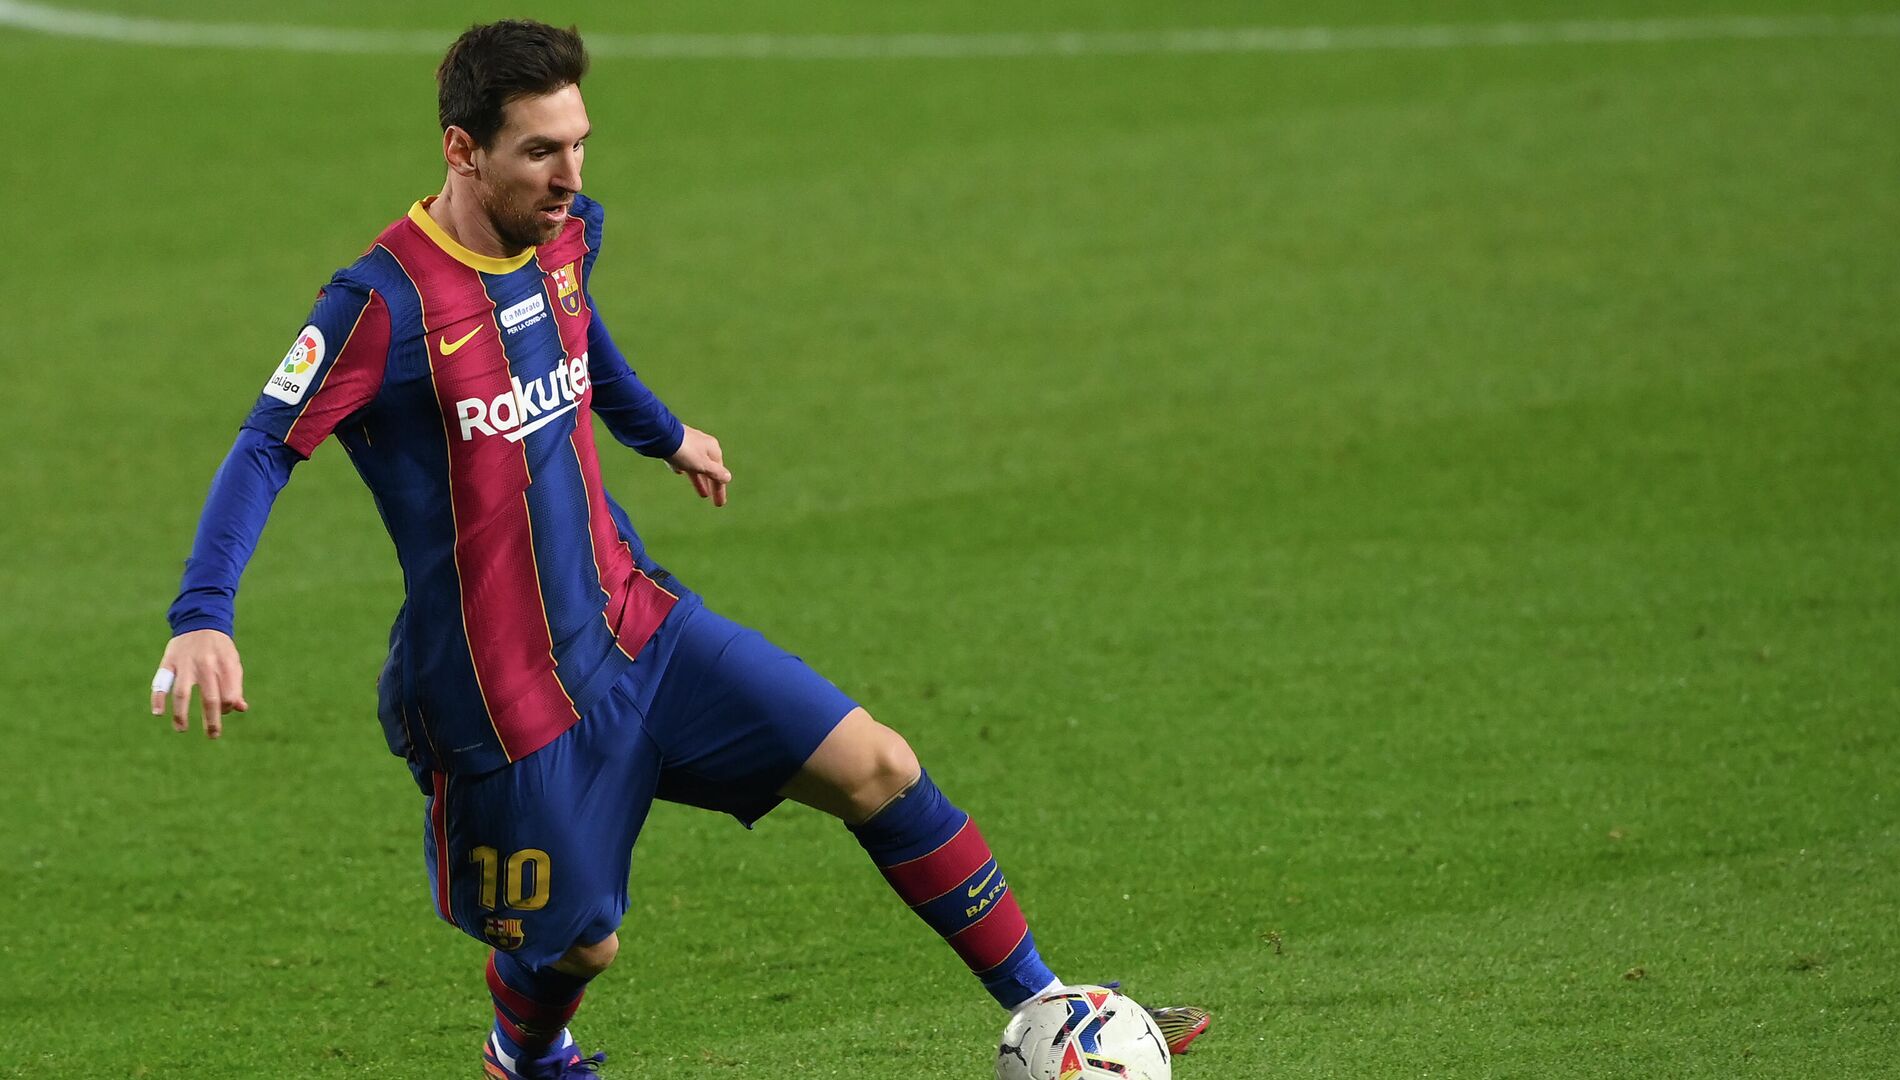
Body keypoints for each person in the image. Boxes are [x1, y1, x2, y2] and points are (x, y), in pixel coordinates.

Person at [148, 20, 1208, 1079]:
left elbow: (577, 327)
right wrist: (204, 615)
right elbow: (263, 445)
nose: (570, 176)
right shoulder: (381, 305)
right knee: (581, 943)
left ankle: (1055, 1010)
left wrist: (661, 432)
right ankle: (523, 1050)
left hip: (635, 626)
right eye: (540, 151)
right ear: (462, 152)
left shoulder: (559, 230)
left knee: (879, 765)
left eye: (580, 143)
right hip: (505, 701)